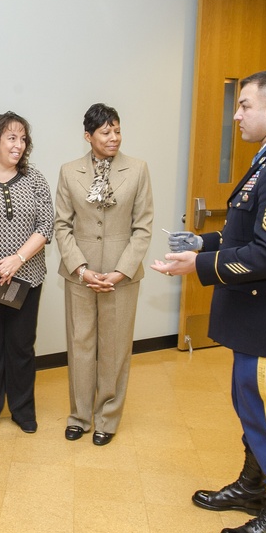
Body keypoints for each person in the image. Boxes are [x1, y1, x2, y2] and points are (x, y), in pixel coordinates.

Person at [152, 70, 266, 533]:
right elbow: (247, 233)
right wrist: (201, 243)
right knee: (253, 406)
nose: (236, 114)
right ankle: (253, 487)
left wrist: (202, 264)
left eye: (244, 105)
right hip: (261, 320)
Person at [54, 104, 154, 446]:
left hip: (121, 277)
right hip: (79, 274)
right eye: (105, 132)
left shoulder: (137, 169)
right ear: (88, 136)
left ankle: (107, 419)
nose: (113, 138)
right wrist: (80, 268)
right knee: (80, 346)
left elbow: (143, 228)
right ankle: (80, 416)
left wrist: (119, 271)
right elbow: (62, 225)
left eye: (117, 130)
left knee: (114, 349)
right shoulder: (69, 172)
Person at [0, 112, 54, 433]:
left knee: (21, 346)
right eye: (11, 138)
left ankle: (22, 409)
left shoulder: (35, 178)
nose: (19, 145)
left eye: (23, 139)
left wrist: (16, 259)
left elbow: (46, 225)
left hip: (26, 277)